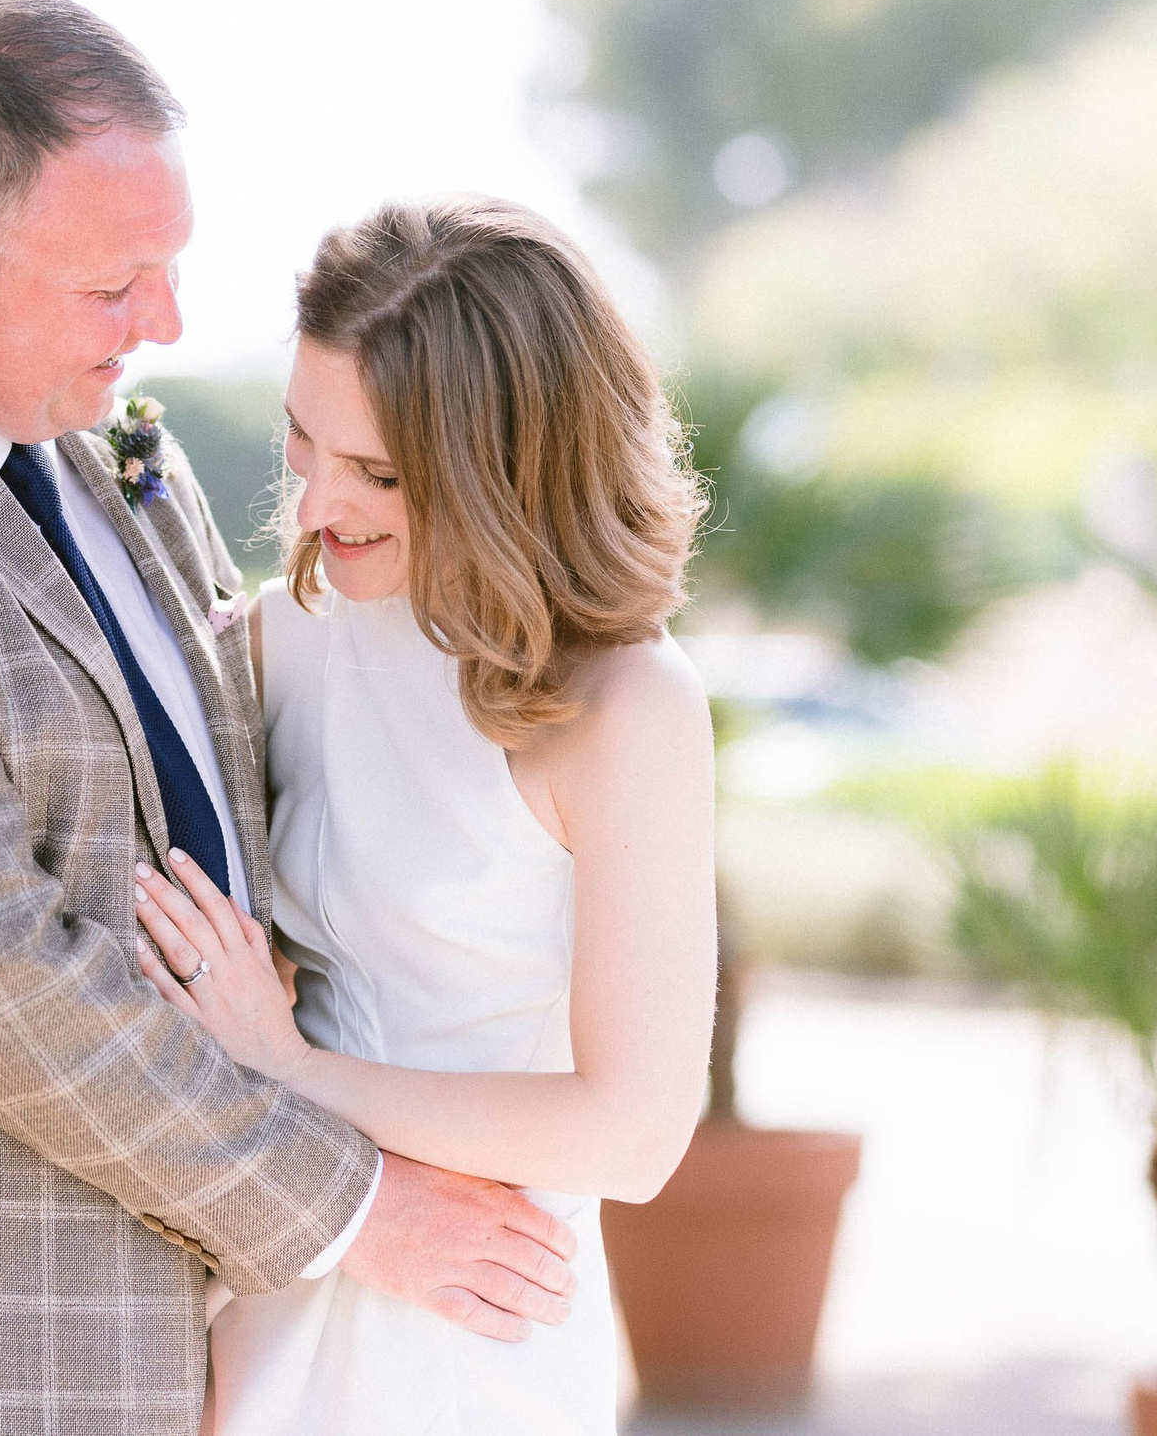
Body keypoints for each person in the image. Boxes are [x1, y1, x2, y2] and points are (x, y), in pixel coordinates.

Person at [0, 0, 578, 1436]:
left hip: (156, 1341)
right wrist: (355, 1207)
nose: (168, 321)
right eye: (116, 280)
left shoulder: (102, 443)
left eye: (173, 264)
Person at [130, 197, 719, 1435]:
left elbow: (631, 1133)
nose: (313, 510)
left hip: (477, 1327)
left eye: (378, 475)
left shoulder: (626, 706)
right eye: (302, 445)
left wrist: (290, 1069)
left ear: (511, 466)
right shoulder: (285, 644)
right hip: (277, 1295)